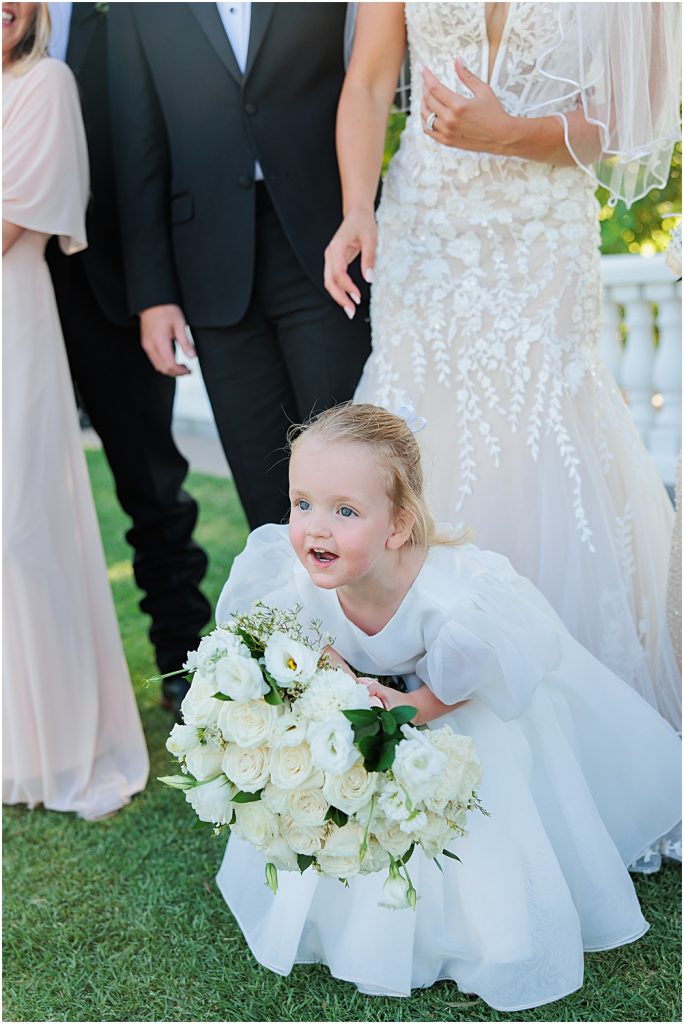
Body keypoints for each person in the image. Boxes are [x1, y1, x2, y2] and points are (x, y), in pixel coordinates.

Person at [212, 403, 680, 1011]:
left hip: (462, 699)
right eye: (303, 504)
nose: (315, 528)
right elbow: (306, 650)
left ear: (398, 526)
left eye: (345, 510)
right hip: (376, 697)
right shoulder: (294, 584)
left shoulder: (454, 594)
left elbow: (475, 677)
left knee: (481, 786)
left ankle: (488, 923)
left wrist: (410, 708)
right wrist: (341, 687)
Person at [324, 3, 682, 730]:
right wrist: (356, 206)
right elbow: (367, 83)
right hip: (425, 227)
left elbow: (637, 118)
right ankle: (398, 689)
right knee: (412, 437)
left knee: (537, 439)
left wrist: (510, 135)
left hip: (541, 228)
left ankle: (556, 718)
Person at [107, 1, 372, 532]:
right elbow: (136, 144)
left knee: (351, 472)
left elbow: (367, 73)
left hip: (323, 248)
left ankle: (367, 615)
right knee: (264, 490)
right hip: (208, 267)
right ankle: (284, 617)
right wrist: (153, 295)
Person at [44, 1, 211, 723]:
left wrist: (154, 293)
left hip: (116, 296)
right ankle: (45, 683)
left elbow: (153, 148)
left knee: (152, 487)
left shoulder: (125, 17)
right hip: (16, 294)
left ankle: (183, 658)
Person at [3, 2, 148, 818]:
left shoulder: (45, 85)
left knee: (19, 530)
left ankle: (54, 742)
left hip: (9, 323)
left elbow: (14, 219)